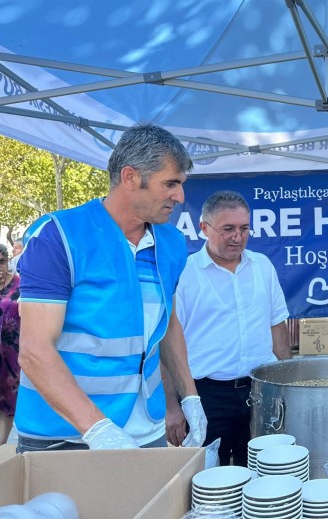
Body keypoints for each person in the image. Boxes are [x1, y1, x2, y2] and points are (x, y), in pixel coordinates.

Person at [15, 123, 207, 452]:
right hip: (65, 434)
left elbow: (167, 324)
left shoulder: (172, 243)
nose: (180, 197)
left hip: (147, 429)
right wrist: (98, 429)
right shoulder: (59, 237)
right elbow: (34, 351)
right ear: (130, 177)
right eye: (170, 183)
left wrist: (190, 396)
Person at [167, 190, 292, 466]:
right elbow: (168, 345)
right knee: (209, 477)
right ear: (204, 228)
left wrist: (289, 385)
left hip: (260, 392)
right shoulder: (184, 274)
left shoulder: (262, 266)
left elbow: (277, 329)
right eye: (228, 229)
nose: (238, 237)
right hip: (206, 396)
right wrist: (172, 406)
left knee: (264, 473)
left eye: (244, 228)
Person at [0, 244, 21, 444]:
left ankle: (2, 443)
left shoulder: (20, 285)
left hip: (12, 355)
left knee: (8, 401)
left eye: (2, 262)